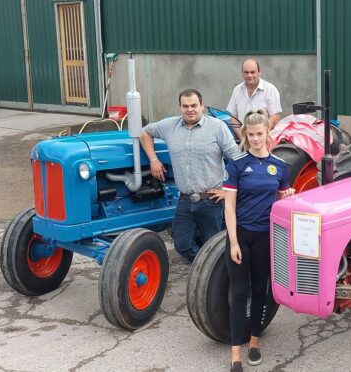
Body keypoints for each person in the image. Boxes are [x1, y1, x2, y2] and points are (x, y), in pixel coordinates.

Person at [222, 110, 294, 372]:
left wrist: (289, 197)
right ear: (245, 136)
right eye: (251, 134)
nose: (255, 139)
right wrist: (233, 242)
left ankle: (254, 343)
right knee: (240, 293)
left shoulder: (280, 166)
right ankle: (235, 354)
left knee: (260, 292)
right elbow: (229, 207)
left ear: (267, 133)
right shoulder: (237, 164)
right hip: (241, 235)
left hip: (266, 237)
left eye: (259, 134)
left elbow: (283, 201)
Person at [140, 88, 240, 263]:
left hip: (212, 201)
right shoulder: (169, 126)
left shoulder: (217, 127)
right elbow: (145, 132)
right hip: (185, 201)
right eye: (185, 106)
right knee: (182, 245)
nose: (190, 109)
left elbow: (238, 160)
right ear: (180, 107)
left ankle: (214, 278)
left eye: (194, 105)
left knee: (214, 247)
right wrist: (153, 159)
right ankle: (205, 270)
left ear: (202, 105)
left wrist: (228, 192)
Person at [226, 58, 282, 137]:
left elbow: (275, 117)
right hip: (243, 140)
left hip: (264, 141)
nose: (249, 75)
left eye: (252, 72)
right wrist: (242, 137)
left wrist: (260, 136)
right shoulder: (237, 90)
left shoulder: (270, 90)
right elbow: (233, 117)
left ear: (259, 72)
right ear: (242, 73)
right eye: (246, 72)